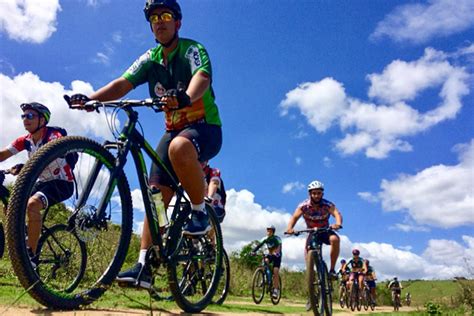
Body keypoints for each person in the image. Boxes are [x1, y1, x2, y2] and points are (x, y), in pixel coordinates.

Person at [68, 0, 222, 289]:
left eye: (165, 16)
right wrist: (92, 99)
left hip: (204, 128)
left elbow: (201, 77)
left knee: (178, 147)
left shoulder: (192, 49)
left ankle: (200, 212)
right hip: (173, 130)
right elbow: (122, 84)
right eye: (154, 18)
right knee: (155, 198)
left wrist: (187, 96)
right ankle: (144, 266)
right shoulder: (150, 58)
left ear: (178, 22)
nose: (160, 21)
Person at [0, 103, 74, 260]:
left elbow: (54, 150)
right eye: (23, 116)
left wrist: (25, 167)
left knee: (32, 205)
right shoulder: (25, 141)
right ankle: (26, 231)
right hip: (42, 183)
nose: (25, 119)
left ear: (42, 119)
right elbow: (3, 154)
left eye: (30, 116)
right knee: (11, 206)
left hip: (61, 183)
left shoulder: (53, 136)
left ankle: (31, 256)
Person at [285, 180, 342, 277]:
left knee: (335, 239)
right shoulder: (303, 206)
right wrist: (289, 228)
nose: (316, 196)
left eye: (319, 193)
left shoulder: (327, 205)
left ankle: (332, 270)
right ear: (310, 194)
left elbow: (337, 213)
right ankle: (311, 278)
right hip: (312, 232)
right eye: (314, 193)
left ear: (322, 194)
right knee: (308, 254)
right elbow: (294, 217)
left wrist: (338, 223)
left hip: (325, 230)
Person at [252, 225, 282, 299]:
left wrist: (277, 252)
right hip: (270, 254)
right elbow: (259, 245)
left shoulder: (277, 238)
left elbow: (279, 247)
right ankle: (264, 277)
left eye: (270, 230)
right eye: (267, 230)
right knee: (265, 261)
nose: (268, 231)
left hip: (277, 256)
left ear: (273, 232)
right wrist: (253, 251)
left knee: (275, 271)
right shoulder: (265, 239)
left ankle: (275, 290)